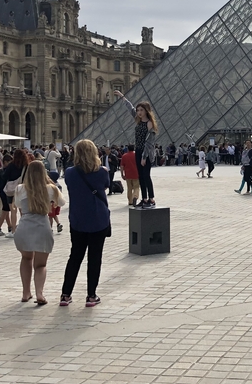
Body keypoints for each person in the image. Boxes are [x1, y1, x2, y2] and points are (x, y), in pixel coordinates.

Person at [60, 139, 110, 307]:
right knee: (95, 258)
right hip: (98, 219)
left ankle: (65, 295)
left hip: (78, 220)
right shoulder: (102, 172)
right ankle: (91, 296)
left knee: (75, 257)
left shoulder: (70, 173)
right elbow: (106, 185)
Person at [13, 160, 65, 305]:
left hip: (24, 226)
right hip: (42, 226)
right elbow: (62, 202)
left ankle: (25, 292)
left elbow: (17, 205)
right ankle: (39, 293)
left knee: (26, 259)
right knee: (41, 265)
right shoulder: (51, 189)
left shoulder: (20, 189)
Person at [113, 91, 158, 208]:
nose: (139, 112)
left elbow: (149, 143)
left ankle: (151, 199)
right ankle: (144, 199)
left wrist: (144, 157)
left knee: (146, 176)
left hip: (146, 153)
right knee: (140, 176)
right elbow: (130, 108)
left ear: (146, 111)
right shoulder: (138, 120)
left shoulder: (149, 124)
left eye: (141, 110)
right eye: (138, 110)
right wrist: (122, 97)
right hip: (138, 151)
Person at [0, 149, 29, 237]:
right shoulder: (26, 165)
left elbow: (4, 176)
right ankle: (24, 229)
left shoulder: (11, 165)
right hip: (22, 189)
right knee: (22, 211)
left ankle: (13, 230)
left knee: (13, 210)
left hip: (11, 190)